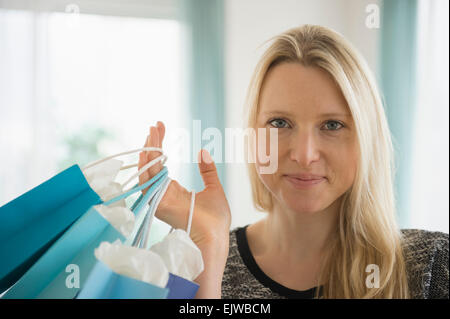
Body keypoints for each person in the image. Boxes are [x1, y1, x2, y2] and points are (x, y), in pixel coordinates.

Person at [138, 25, 449, 299]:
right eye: (280, 123)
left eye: (332, 125)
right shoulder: (189, 264)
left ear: (367, 139)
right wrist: (209, 252)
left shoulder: (433, 267)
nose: (304, 154)